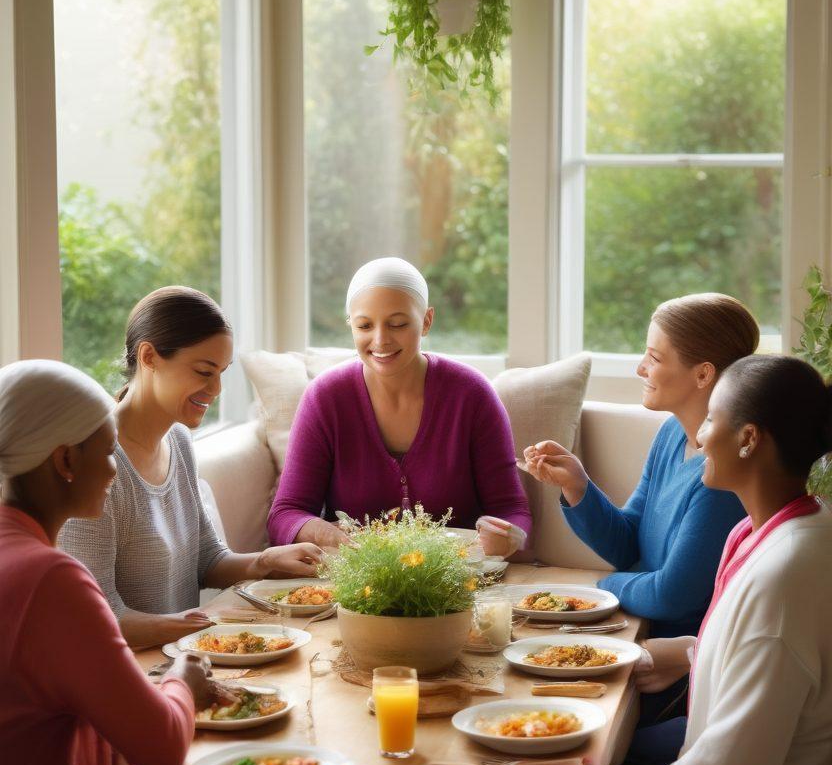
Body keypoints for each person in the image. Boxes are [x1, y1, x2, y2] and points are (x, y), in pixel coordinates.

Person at [531, 354, 832, 765]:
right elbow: (773, 667)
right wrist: (695, 654)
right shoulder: (783, 531)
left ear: (750, 440)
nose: (698, 434)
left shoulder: (782, 574)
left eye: (714, 419)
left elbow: (734, 764)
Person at [0, 359, 283, 765]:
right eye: (106, 454)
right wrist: (182, 680)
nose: (114, 471)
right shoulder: (49, 579)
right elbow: (158, 747)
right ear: (64, 461)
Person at [60, 287, 322, 649]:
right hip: (131, 671)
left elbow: (207, 559)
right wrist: (206, 626)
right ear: (149, 356)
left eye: (221, 373)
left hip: (183, 661)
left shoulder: (179, 442)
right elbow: (101, 619)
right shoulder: (98, 467)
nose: (215, 389)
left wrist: (265, 561)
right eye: (203, 371)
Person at [523, 294, 759, 645]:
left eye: (654, 357)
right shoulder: (671, 433)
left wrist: (598, 586)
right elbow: (629, 545)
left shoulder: (722, 476)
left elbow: (671, 596)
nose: (640, 368)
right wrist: (577, 485)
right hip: (636, 629)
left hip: (672, 657)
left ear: (703, 374)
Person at [268, 257, 531, 556]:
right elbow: (285, 515)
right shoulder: (325, 398)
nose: (380, 340)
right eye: (364, 325)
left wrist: (504, 538)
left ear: (427, 321)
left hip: (457, 580)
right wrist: (323, 533)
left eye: (398, 324)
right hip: (359, 583)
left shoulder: (471, 394)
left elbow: (512, 508)